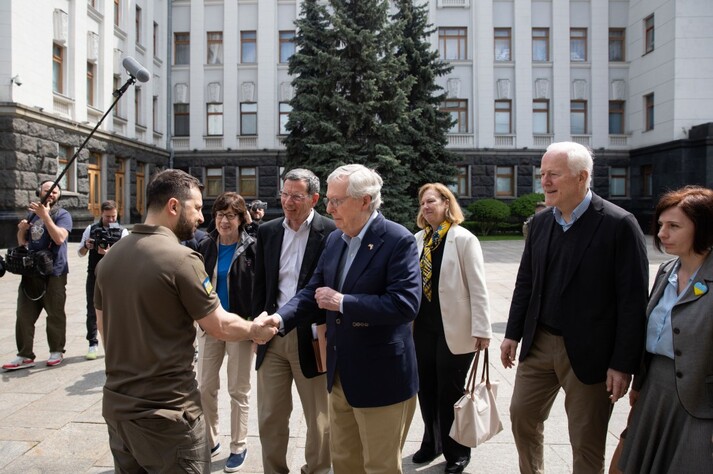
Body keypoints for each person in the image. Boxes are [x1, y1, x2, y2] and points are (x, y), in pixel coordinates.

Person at [93, 169, 279, 472]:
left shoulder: (110, 259)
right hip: (168, 416)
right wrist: (254, 329)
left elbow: (105, 331)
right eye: (197, 208)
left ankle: (236, 444)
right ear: (173, 206)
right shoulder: (182, 260)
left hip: (118, 410)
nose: (203, 218)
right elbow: (218, 324)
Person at [258, 164, 422, 473]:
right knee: (345, 463)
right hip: (339, 374)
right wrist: (278, 320)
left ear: (364, 201)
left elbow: (405, 305)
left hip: (380, 378)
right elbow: (312, 291)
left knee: (380, 467)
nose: (329, 208)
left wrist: (343, 302)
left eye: (337, 200)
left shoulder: (397, 239)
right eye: (329, 200)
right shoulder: (336, 239)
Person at [499, 141, 649, 473]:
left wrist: (623, 364)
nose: (545, 182)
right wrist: (512, 334)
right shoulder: (540, 223)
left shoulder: (619, 224)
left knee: (586, 440)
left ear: (582, 177)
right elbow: (526, 283)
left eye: (553, 174)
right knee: (522, 416)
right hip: (539, 342)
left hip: (591, 352)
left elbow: (633, 302)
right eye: (542, 174)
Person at [618, 186, 713, 473]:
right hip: (654, 389)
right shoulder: (666, 271)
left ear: (703, 229)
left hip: (698, 401)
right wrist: (638, 384)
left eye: (674, 226)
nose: (661, 233)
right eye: (660, 225)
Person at [253, 168, 336, 474]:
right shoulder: (268, 231)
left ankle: (317, 470)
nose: (288, 202)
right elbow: (260, 284)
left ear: (314, 198)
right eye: (284, 194)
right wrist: (255, 329)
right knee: (270, 416)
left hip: (313, 337)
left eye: (296, 196)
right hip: (272, 336)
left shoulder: (331, 232)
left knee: (320, 418)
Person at [412, 183, 492, 474]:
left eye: (431, 201)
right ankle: (432, 442)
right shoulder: (418, 239)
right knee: (426, 389)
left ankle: (457, 451)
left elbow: (478, 287)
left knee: (451, 392)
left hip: (456, 328)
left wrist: (482, 329)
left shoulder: (463, 239)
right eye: (423, 203)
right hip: (422, 328)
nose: (426, 207)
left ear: (447, 203)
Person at [196, 192, 256, 472]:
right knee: (206, 387)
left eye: (230, 216)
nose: (224, 221)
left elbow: (260, 287)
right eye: (220, 215)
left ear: (241, 218)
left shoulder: (252, 247)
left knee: (238, 390)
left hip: (240, 326)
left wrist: (255, 326)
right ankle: (211, 440)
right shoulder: (206, 245)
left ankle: (238, 445)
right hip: (210, 326)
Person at [3, 180, 72, 371]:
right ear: (38, 192)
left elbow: (59, 238)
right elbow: (23, 243)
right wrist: (22, 230)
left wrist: (46, 216)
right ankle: (24, 355)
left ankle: (56, 351)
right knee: (23, 314)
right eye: (47, 190)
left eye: (55, 192)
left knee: (55, 313)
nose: (51, 194)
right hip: (31, 272)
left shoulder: (62, 215)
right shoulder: (32, 214)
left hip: (54, 272)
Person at [77, 200, 128, 360]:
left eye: (113, 216)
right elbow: (80, 253)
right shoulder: (91, 229)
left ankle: (116, 342)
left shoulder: (123, 232)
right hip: (94, 275)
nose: (111, 220)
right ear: (101, 214)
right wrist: (87, 246)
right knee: (92, 309)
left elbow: (127, 257)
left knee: (116, 309)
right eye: (107, 217)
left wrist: (110, 253)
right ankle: (92, 343)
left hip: (115, 277)